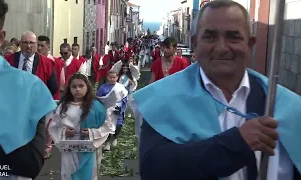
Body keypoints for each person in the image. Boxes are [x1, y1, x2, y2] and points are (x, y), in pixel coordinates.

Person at [133, 1, 301, 180]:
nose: (221, 48)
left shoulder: (287, 106)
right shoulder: (162, 100)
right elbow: (155, 170)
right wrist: (237, 143)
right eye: (210, 37)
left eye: (233, 37)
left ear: (250, 44)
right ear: (195, 43)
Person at [0, 0, 56, 178]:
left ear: (1, 37)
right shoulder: (12, 59)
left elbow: (29, 164)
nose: (28, 46)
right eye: (25, 42)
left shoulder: (31, 89)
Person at [5, 31, 59, 96]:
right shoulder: (7, 60)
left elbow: (53, 87)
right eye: (25, 42)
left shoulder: (47, 63)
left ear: (36, 44)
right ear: (20, 43)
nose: (28, 46)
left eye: (31, 43)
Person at [96, 70, 128, 151]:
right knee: (107, 126)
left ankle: (115, 137)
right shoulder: (103, 87)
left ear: (117, 78)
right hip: (107, 109)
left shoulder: (120, 87)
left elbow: (124, 98)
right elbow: (99, 98)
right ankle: (107, 142)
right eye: (110, 77)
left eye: (114, 77)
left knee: (118, 125)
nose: (112, 79)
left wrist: (121, 108)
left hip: (117, 110)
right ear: (107, 77)